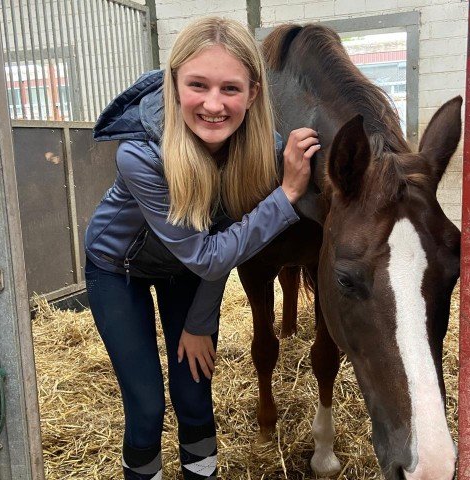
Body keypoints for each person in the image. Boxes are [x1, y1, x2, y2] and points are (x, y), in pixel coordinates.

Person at [84, 16, 320, 480]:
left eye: (230, 88)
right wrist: (286, 194)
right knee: (147, 407)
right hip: (119, 269)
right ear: (174, 85)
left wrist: (198, 323)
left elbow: (221, 246)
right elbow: (209, 254)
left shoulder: (260, 149)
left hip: (186, 273)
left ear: (253, 93)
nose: (214, 105)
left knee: (194, 396)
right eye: (198, 85)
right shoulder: (140, 154)